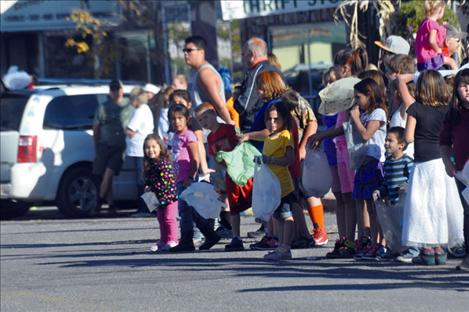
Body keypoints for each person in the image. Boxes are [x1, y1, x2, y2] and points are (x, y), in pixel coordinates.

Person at [399, 70, 464, 265]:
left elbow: (409, 137)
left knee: (422, 206)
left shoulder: (415, 108)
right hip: (443, 162)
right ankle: (440, 247)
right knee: (441, 205)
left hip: (423, 163)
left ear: (421, 88)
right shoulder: (448, 110)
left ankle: (427, 248)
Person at [195, 102, 253, 252]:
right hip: (229, 175)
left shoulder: (228, 129)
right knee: (233, 207)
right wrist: (220, 182)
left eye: (206, 117)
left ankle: (270, 232)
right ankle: (236, 237)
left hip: (242, 172)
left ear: (214, 114)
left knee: (255, 200)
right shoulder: (211, 138)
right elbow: (217, 160)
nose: (204, 122)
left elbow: (241, 146)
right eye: (200, 120)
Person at [167, 104, 220, 252]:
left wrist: (190, 176)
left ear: (187, 119)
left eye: (180, 118)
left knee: (184, 210)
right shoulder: (176, 136)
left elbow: (195, 159)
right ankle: (210, 235)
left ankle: (186, 240)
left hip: (187, 179)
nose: (176, 122)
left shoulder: (189, 136)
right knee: (191, 211)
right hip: (179, 179)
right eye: (173, 119)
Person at [440, 68, 469, 271]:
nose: (466, 89)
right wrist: (447, 163)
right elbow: (443, 142)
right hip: (463, 172)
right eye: (462, 85)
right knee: (468, 213)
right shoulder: (454, 113)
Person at [261, 102, 297, 261]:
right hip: (272, 186)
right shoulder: (269, 137)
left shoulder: (285, 136)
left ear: (284, 120)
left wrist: (270, 159)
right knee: (277, 217)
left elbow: (289, 159)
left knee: (286, 216)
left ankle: (286, 247)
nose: (272, 123)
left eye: (276, 119)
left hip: (283, 185)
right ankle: (281, 247)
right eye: (269, 119)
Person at [92, 80, 134, 215]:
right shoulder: (103, 107)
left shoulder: (129, 105)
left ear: (122, 89)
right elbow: (96, 127)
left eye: (118, 88)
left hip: (119, 147)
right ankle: (111, 205)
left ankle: (98, 202)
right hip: (104, 145)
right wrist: (96, 144)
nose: (116, 91)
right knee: (104, 175)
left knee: (109, 173)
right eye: (113, 89)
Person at [373, 127, 414, 260]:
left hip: (405, 205)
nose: (386, 143)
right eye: (386, 140)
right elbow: (386, 182)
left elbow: (413, 180)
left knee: (406, 228)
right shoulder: (389, 162)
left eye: (390, 140)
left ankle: (412, 250)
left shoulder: (407, 161)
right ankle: (394, 249)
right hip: (392, 203)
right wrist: (380, 191)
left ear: (401, 145)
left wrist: (406, 186)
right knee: (393, 228)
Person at [234, 37, 282, 133]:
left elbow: (244, 106)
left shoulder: (255, 73)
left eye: (243, 54)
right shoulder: (276, 70)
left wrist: (236, 96)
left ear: (252, 54)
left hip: (256, 130)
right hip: (276, 128)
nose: (242, 58)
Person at [183, 35, 233, 124]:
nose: (186, 54)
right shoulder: (193, 72)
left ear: (201, 52)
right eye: (184, 50)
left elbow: (219, 105)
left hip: (212, 130)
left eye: (189, 50)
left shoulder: (205, 73)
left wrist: (231, 126)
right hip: (201, 129)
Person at [143, 134, 179, 252]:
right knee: (161, 218)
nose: (151, 150)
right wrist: (147, 186)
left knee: (169, 218)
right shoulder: (150, 164)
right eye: (147, 147)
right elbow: (148, 179)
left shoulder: (164, 163)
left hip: (169, 197)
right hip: (158, 197)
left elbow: (166, 182)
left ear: (160, 147)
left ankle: (172, 240)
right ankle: (163, 240)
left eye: (154, 147)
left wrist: (152, 188)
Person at [126, 87, 154, 217]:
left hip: (139, 150)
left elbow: (130, 129)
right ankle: (149, 208)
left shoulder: (140, 110)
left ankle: (145, 209)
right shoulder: (145, 109)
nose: (130, 101)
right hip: (141, 149)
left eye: (131, 98)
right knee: (144, 179)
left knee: (141, 180)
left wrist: (130, 132)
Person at [415, 0, 455, 71]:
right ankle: (455, 78)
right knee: (452, 62)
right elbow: (432, 41)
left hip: (421, 61)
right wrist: (438, 50)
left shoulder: (424, 23)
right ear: (440, 10)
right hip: (430, 60)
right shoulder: (433, 24)